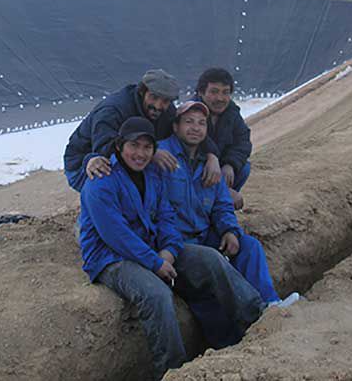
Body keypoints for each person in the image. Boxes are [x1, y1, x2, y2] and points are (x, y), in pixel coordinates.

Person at [79, 117, 265, 380]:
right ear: (119, 146)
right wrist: (155, 263)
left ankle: (257, 317)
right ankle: (173, 371)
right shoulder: (101, 181)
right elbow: (116, 235)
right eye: (134, 146)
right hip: (110, 258)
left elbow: (166, 217)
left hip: (153, 248)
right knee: (156, 294)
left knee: (211, 259)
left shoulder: (152, 175)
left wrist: (169, 250)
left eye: (147, 147)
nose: (140, 154)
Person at [158, 101, 299, 347]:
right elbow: (155, 210)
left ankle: (271, 303)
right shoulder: (162, 159)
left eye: (201, 123)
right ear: (175, 126)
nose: (195, 128)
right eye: (188, 122)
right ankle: (255, 317)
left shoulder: (208, 161)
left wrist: (229, 230)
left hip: (203, 234)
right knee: (208, 279)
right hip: (175, 242)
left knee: (249, 246)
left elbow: (222, 202)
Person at [64, 68, 221, 193]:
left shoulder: (165, 110)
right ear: (142, 91)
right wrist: (151, 153)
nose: (159, 105)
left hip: (131, 155)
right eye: (154, 97)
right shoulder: (113, 110)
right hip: (83, 164)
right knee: (108, 169)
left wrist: (212, 156)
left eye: (165, 101)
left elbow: (186, 132)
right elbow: (103, 149)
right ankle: (91, 219)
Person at [195, 68, 251, 209]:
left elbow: (243, 141)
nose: (220, 98)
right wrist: (211, 157)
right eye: (214, 92)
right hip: (198, 168)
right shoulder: (191, 114)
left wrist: (230, 164)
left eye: (225, 92)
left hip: (220, 166)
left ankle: (222, 206)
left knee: (243, 167)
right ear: (201, 93)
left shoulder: (231, 112)